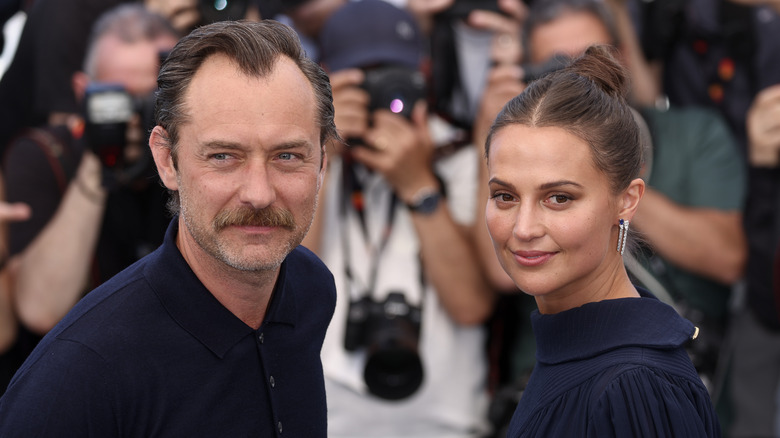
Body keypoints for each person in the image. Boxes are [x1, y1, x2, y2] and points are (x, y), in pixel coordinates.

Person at [0, 18, 339, 436]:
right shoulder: (82, 369)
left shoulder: (311, 288)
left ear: (323, 160)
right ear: (166, 160)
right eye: (223, 156)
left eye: (287, 156)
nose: (259, 193)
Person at [483, 45, 720, 437]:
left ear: (627, 201)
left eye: (558, 198)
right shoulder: (576, 352)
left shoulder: (635, 388)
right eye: (505, 196)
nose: (523, 228)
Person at [301, 1, 495, 436]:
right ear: (325, 82)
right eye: (361, 78)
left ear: (424, 72)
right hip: (330, 422)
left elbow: (470, 305)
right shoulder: (306, 157)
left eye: (393, 72)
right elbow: (289, 289)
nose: (380, 91)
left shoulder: (460, 155)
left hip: (444, 422)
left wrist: (418, 184)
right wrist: (322, 153)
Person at [0, 3, 180, 395]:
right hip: (74, 386)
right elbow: (41, 309)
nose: (138, 116)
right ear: (83, 91)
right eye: (119, 98)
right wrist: (100, 162)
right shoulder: (46, 156)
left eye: (154, 99)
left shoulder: (195, 161)